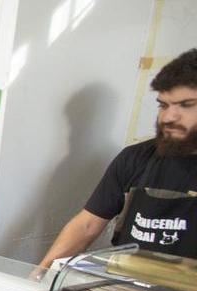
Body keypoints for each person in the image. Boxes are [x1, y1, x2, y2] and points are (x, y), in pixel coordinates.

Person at [38, 48, 197, 270]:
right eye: (163, 105)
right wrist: (40, 275)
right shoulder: (135, 158)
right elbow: (87, 225)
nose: (169, 117)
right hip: (124, 289)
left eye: (186, 105)